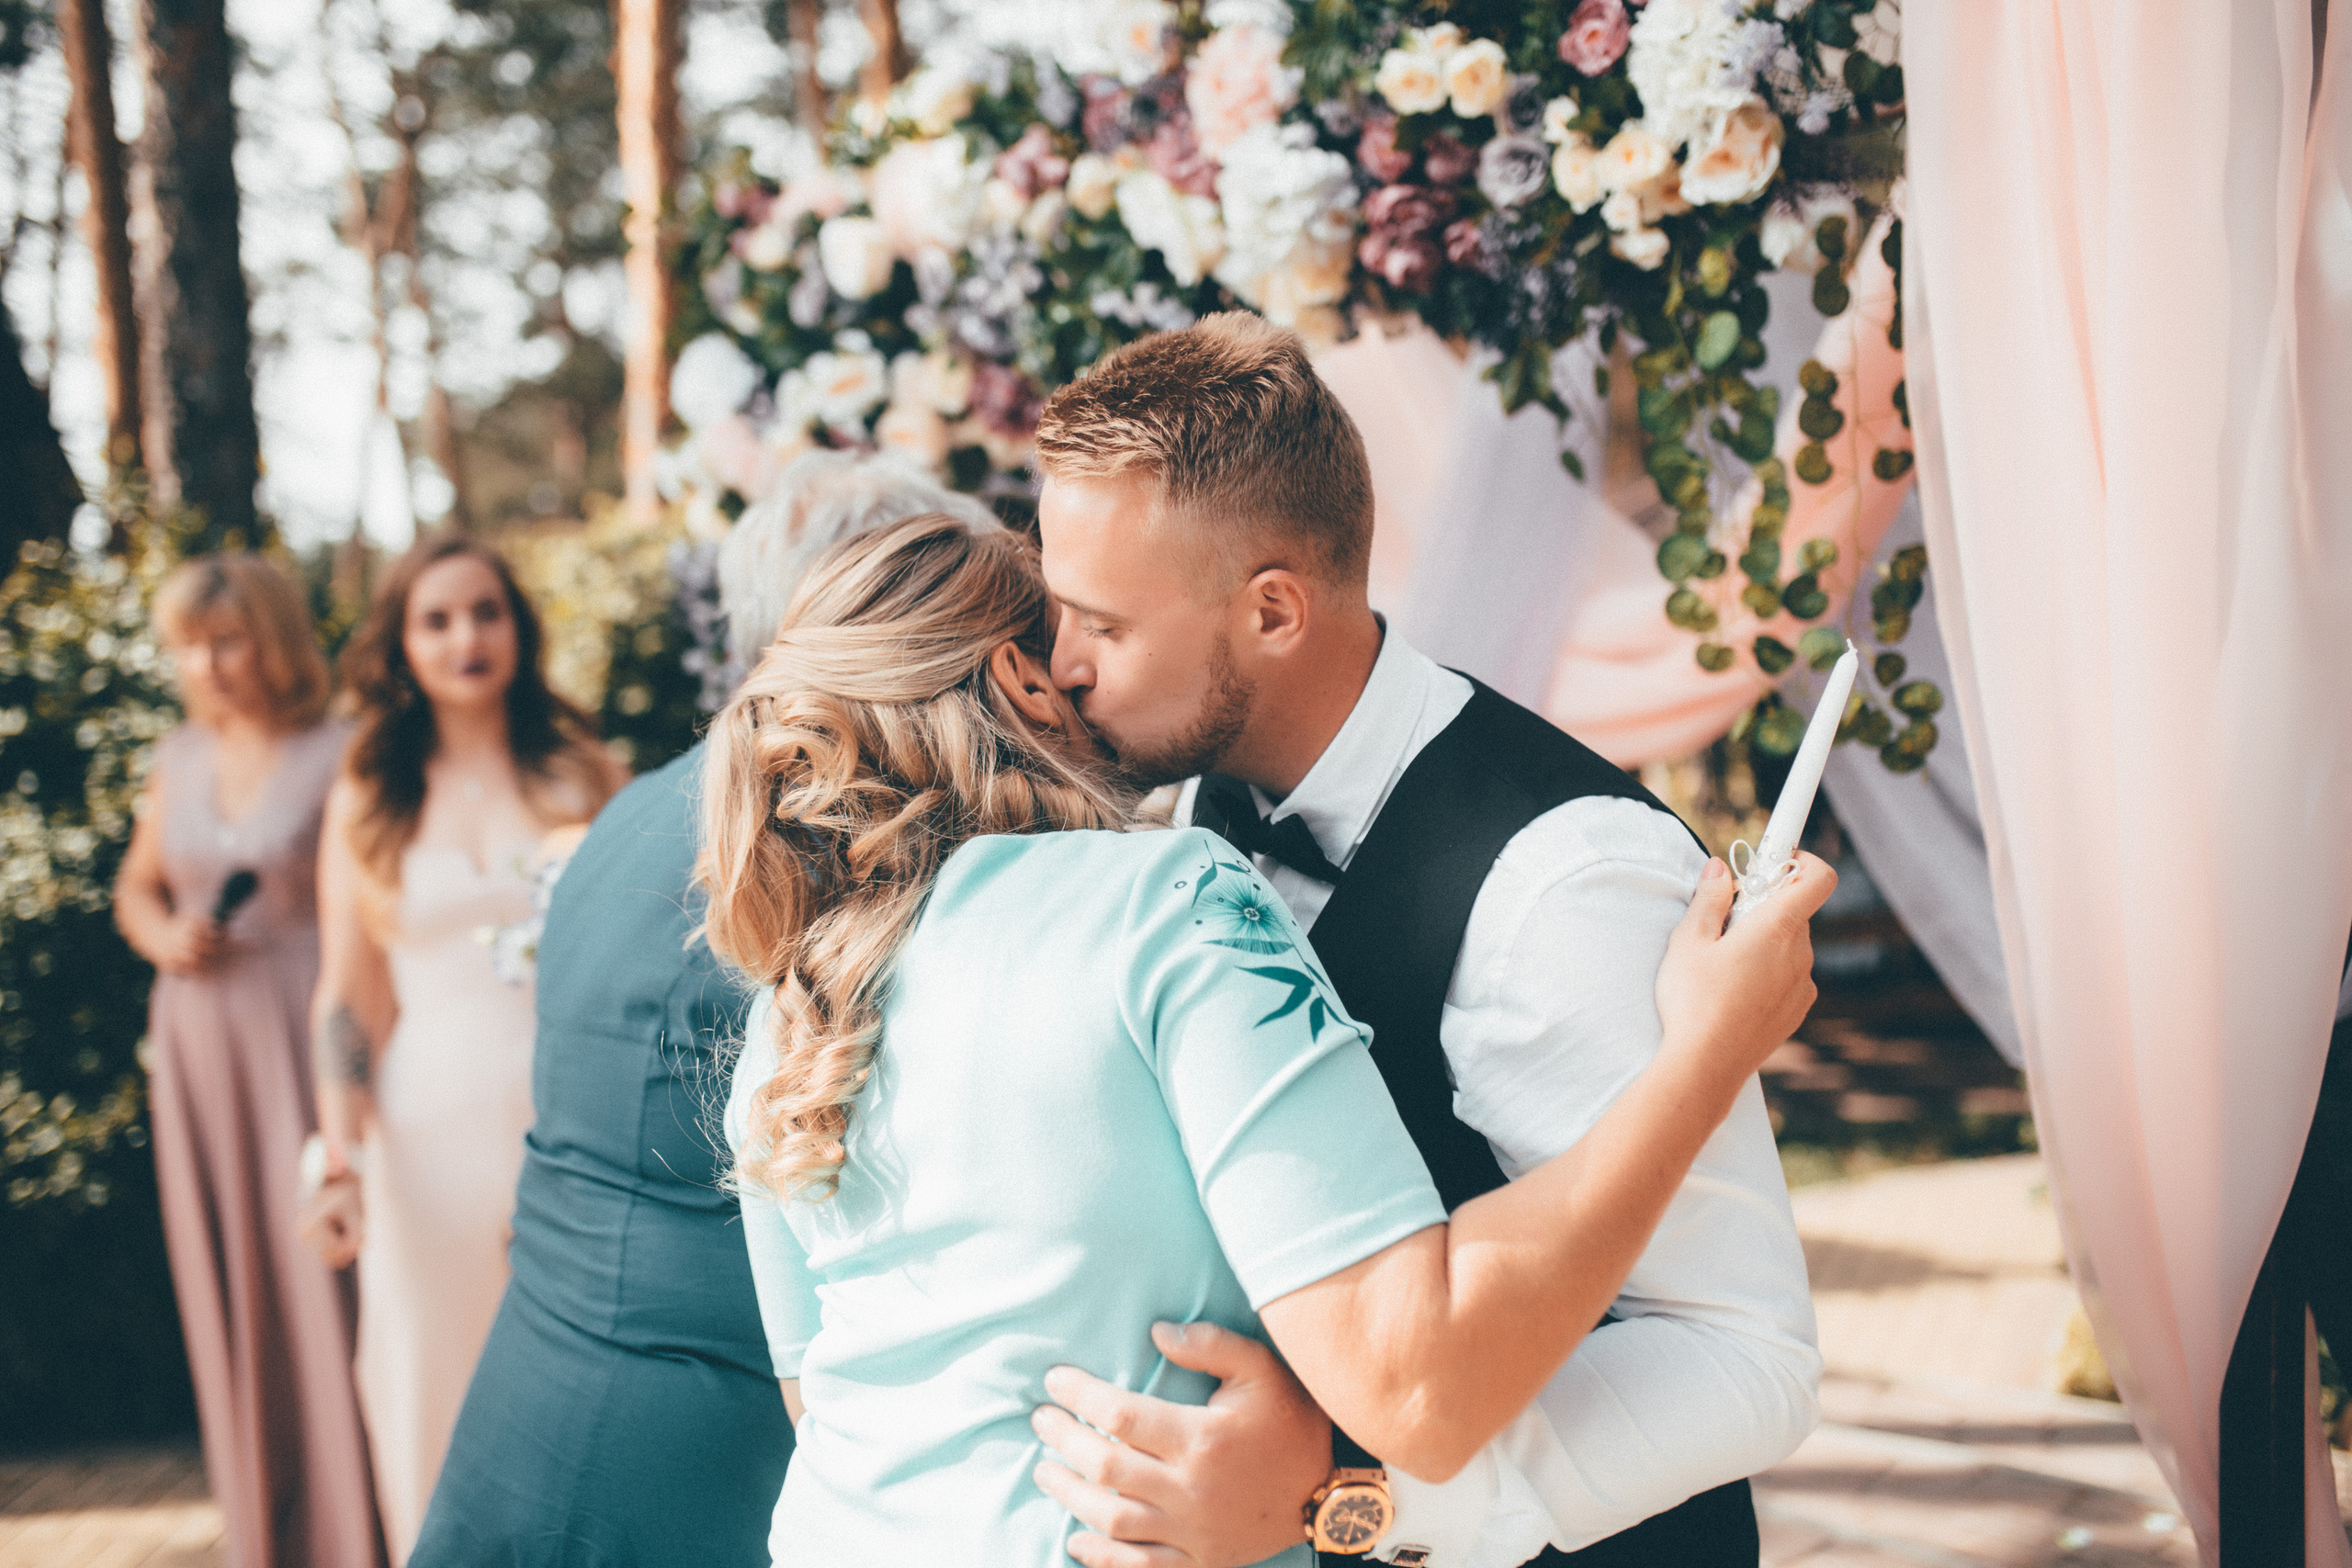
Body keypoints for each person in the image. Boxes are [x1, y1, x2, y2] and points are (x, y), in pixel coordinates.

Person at [703, 511, 1830, 1565]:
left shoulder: (790, 1008)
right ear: (1018, 679)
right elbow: (1415, 1384)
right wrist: (1706, 1051)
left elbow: (824, 1395)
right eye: (1071, 634)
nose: (1090, 667)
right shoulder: (1165, 898)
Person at [1024, 312, 1820, 1567]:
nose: (1057, 666)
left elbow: (1744, 1353)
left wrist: (1359, 1502)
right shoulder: (1179, 806)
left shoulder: (1566, 882)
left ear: (1273, 611)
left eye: (1102, 628)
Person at [410, 454, 997, 1568]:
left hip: (525, 1413)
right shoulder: (839, 850)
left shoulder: (630, 812)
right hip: (710, 1473)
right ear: (876, 615)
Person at [311, 534, 625, 1564]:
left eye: (485, 611)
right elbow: (347, 1000)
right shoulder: (368, 792)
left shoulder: (587, 769)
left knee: (589, 1400)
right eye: (436, 619)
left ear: (517, 627)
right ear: (401, 647)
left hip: (579, 1126)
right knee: (428, 1393)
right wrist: (339, 1155)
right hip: (425, 1142)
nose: (465, 638)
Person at [112, 554, 384, 1568]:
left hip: (300, 1026)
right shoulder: (176, 758)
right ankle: (273, 1527)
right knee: (231, 1270)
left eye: (227, 639)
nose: (208, 663)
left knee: (322, 1259)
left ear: (272, 642)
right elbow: (136, 888)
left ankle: (361, 1518)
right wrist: (161, 934)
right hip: (198, 1046)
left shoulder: (343, 749)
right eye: (190, 643)